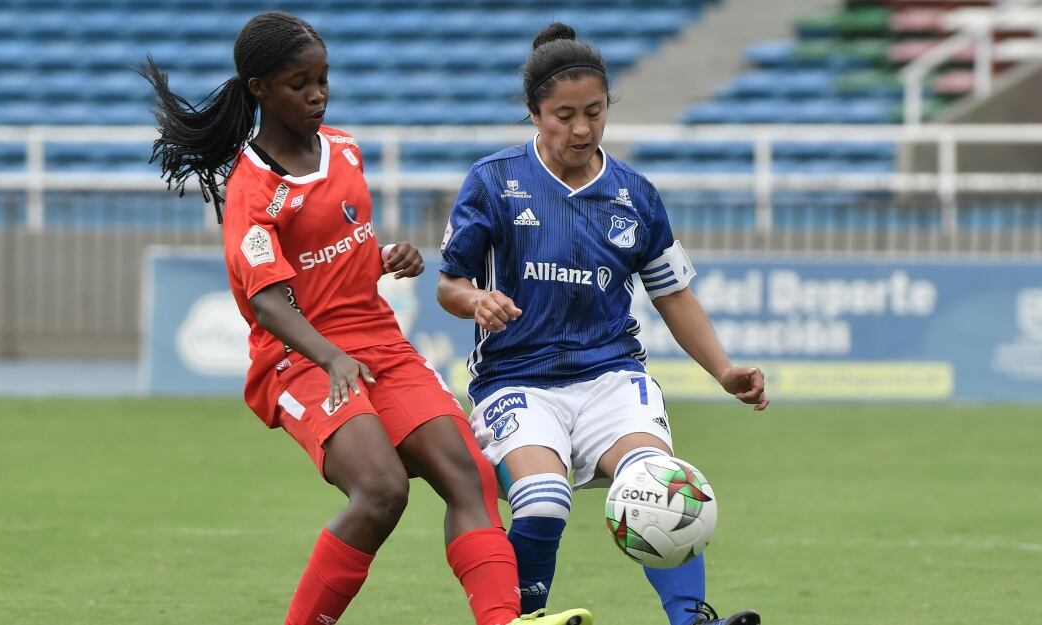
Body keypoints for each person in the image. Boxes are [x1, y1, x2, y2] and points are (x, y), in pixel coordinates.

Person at [141, 12, 591, 625]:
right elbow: (268, 300)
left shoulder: (345, 149)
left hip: (379, 344)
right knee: (382, 490)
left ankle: (501, 621)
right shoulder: (252, 188)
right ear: (259, 90)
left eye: (323, 79)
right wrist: (331, 357)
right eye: (300, 84)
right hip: (301, 359)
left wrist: (384, 257)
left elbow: (330, 252)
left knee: (469, 476)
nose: (318, 94)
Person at [437, 22, 767, 625]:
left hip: (610, 377)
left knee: (663, 486)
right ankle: (523, 618)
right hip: (516, 380)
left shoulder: (635, 194)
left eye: (594, 112)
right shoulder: (493, 181)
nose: (582, 129)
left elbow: (673, 294)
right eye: (564, 116)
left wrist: (723, 370)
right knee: (543, 501)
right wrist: (475, 300)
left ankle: (693, 619)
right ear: (534, 112)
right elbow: (449, 284)